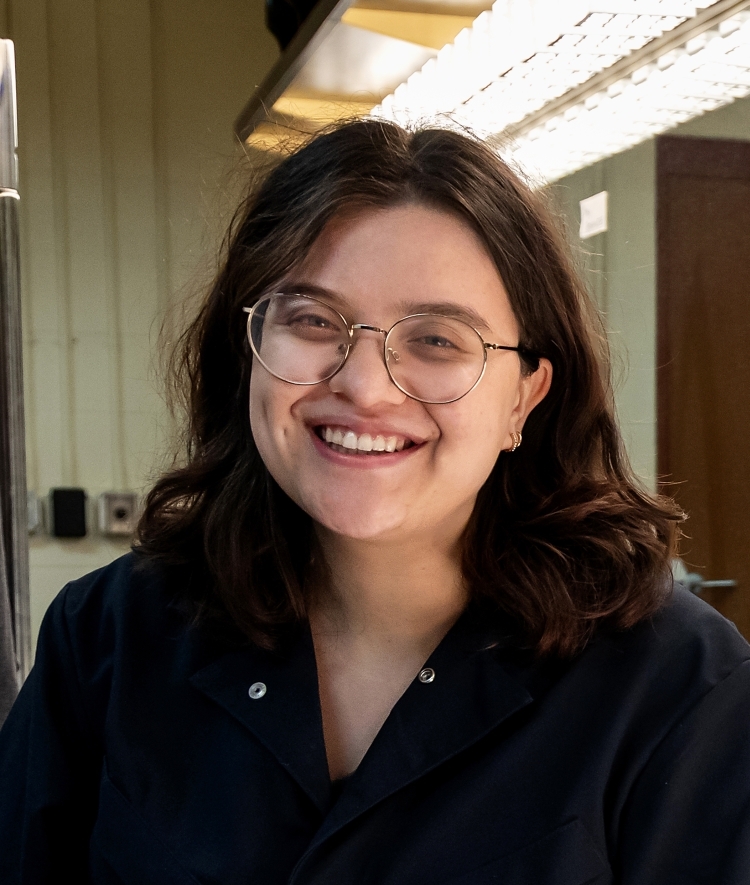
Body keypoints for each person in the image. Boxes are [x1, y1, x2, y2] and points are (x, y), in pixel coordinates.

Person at [1, 120, 749, 884]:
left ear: (525, 398)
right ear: (248, 351)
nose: (363, 385)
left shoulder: (676, 686)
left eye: (436, 339)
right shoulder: (109, 640)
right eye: (314, 320)